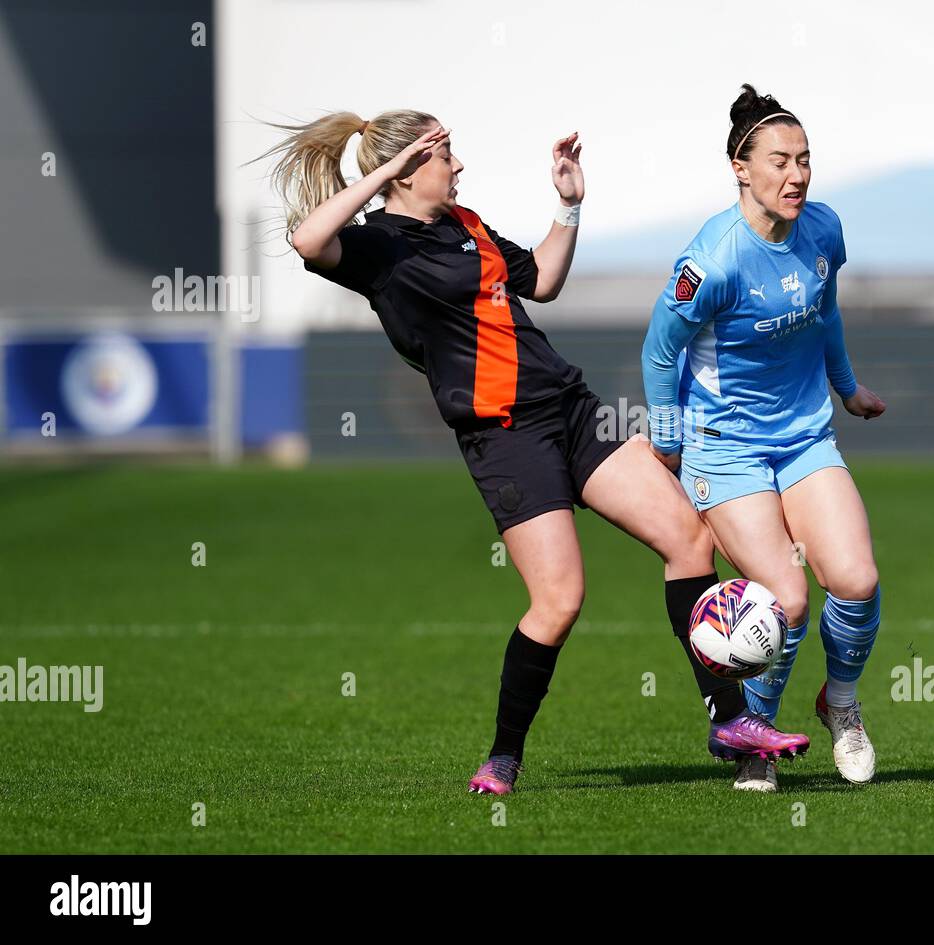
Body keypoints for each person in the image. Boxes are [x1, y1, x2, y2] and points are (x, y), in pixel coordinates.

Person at [261, 108, 810, 795]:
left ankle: (729, 722)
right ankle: (503, 756)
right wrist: (384, 173)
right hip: (503, 436)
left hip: (573, 410)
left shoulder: (467, 225)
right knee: (559, 600)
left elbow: (541, 280)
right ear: (405, 170)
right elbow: (310, 241)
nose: (458, 166)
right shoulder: (376, 246)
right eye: (445, 156)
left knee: (689, 540)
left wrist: (568, 205)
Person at [642, 86, 886, 793]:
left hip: (805, 437)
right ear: (739, 169)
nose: (798, 175)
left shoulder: (823, 230)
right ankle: (756, 739)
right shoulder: (712, 259)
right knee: (785, 598)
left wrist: (846, 386)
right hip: (726, 447)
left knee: (857, 580)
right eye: (780, 160)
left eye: (805, 160)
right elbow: (661, 351)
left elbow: (824, 310)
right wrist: (667, 443)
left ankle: (840, 702)